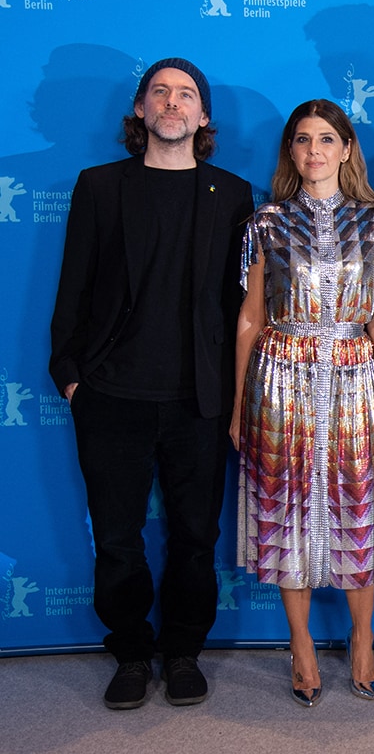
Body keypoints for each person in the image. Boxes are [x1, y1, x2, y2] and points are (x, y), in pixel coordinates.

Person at [48, 57, 253, 709]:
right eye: (159, 92)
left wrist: (238, 397)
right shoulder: (100, 187)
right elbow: (72, 289)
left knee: (197, 537)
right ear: (140, 110)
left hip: (198, 400)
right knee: (117, 538)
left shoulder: (234, 194)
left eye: (186, 93)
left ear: (203, 116)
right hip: (110, 395)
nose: (172, 101)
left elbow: (240, 308)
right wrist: (71, 377)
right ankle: (132, 650)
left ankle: (185, 649)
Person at [232, 99, 374, 707]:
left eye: (327, 139)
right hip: (280, 379)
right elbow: (249, 320)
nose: (314, 151)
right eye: (302, 140)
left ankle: (362, 638)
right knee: (286, 511)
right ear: (290, 152)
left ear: (347, 149)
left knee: (356, 508)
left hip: (354, 380)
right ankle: (300, 644)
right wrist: (235, 407)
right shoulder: (266, 223)